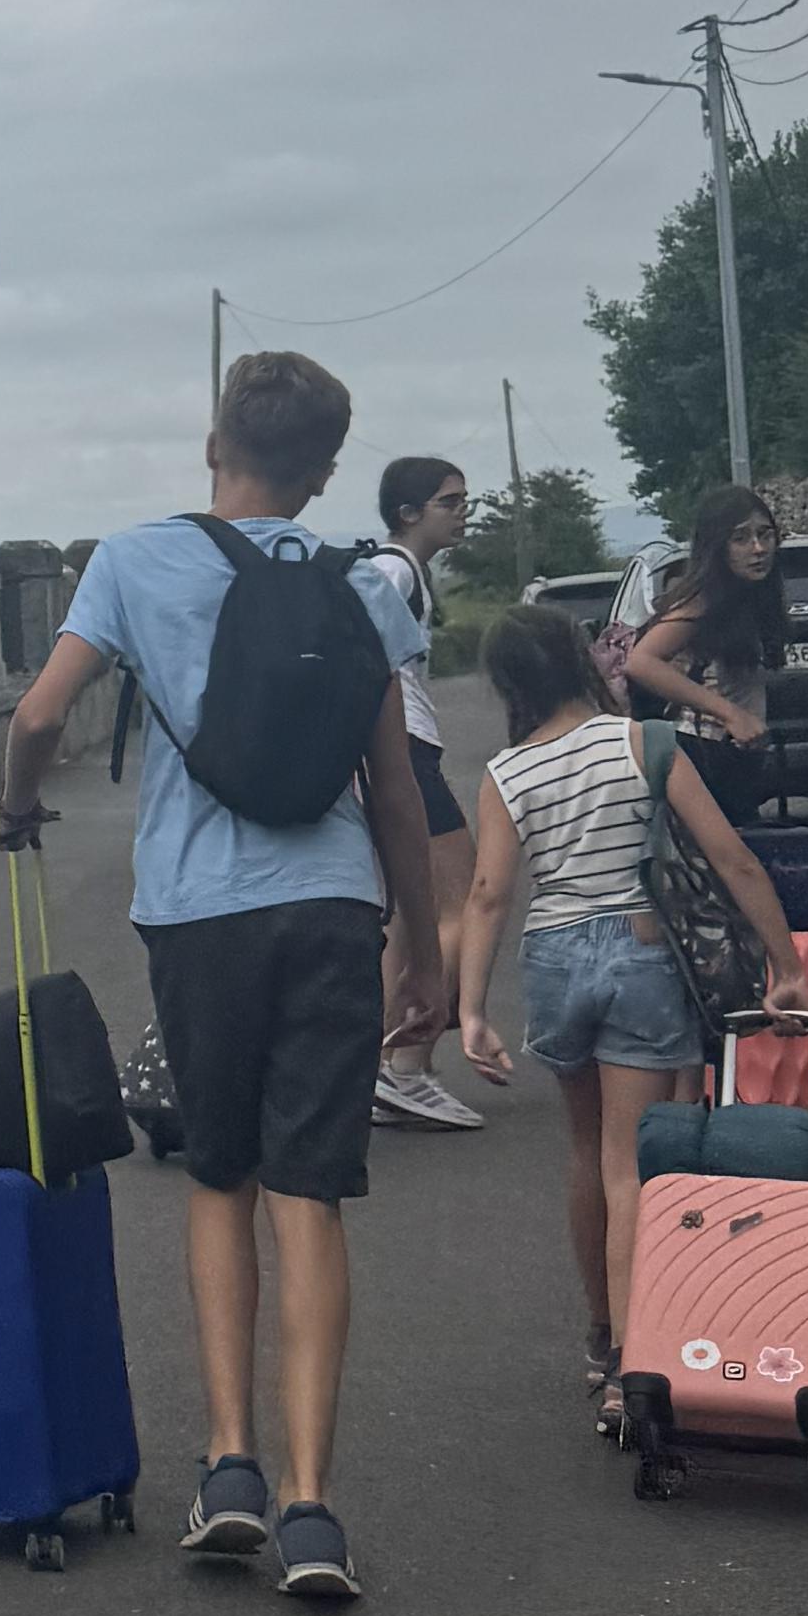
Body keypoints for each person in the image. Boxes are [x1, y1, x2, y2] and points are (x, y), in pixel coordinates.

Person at [0, 346, 447, 1606]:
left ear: (213, 444)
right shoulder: (368, 585)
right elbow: (396, 787)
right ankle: (312, 1509)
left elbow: (35, 720)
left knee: (218, 1177)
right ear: (329, 470)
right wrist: (431, 950)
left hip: (199, 915)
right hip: (337, 905)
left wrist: (15, 811)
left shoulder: (136, 559)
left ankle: (229, 1464)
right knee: (312, 1197)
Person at [453, 600, 808, 1411]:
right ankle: (629, 1358)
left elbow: (488, 894)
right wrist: (786, 965)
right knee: (632, 1165)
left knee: (586, 1154)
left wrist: (471, 1009)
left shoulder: (507, 771)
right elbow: (732, 860)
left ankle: (598, 1329)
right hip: (643, 955)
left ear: (509, 681)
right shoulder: (645, 743)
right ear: (584, 658)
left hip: (553, 957)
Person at [356, 456, 483, 1132]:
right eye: (450, 501)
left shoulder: (408, 571)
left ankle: (387, 1065)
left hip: (406, 748)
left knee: (411, 911)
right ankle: (406, 1063)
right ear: (408, 513)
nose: (463, 511)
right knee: (461, 896)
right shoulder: (393, 570)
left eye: (465, 500)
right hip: (401, 749)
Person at [618, 488, 785, 814]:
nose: (758, 548)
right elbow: (640, 662)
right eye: (740, 538)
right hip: (701, 753)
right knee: (726, 860)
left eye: (765, 535)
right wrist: (731, 714)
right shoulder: (704, 600)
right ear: (716, 547)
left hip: (733, 756)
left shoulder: (752, 598)